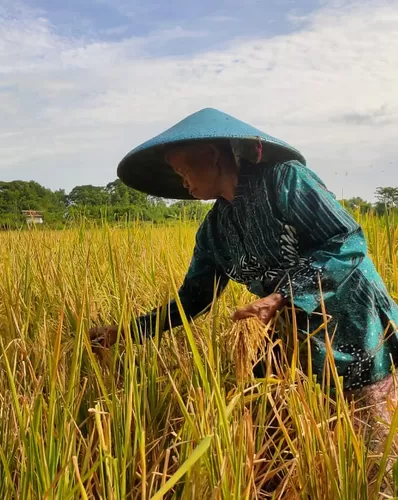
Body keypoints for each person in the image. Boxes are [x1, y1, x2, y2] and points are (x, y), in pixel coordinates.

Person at [89, 108, 398, 475]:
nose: (182, 180)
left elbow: (347, 241)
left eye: (184, 169)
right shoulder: (214, 231)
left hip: (354, 324)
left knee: (371, 439)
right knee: (290, 428)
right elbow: (191, 301)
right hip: (294, 330)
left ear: (212, 156)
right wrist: (123, 333)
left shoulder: (285, 181)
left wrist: (279, 295)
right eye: (176, 174)